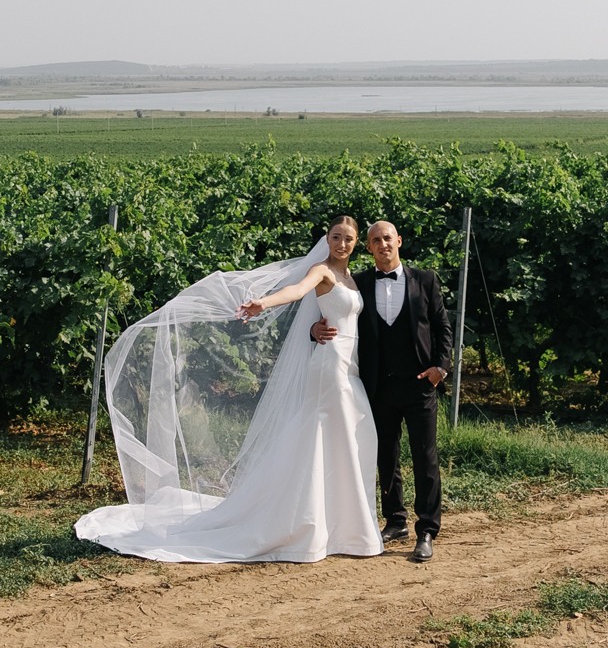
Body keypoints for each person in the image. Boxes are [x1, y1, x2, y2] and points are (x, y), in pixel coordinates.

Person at [73, 216, 382, 563]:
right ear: (327, 240)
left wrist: (314, 328)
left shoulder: (352, 278)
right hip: (328, 368)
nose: (342, 243)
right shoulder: (323, 271)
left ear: (357, 243)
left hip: (349, 366)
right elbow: (296, 291)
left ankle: (342, 526)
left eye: (349, 238)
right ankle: (311, 528)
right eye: (336, 237)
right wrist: (263, 303)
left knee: (346, 441)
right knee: (324, 438)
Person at [311, 219, 449, 560]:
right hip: (378, 386)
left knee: (425, 458)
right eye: (375, 240)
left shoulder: (425, 280)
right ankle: (395, 520)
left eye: (387, 238)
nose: (382, 244)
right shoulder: (357, 284)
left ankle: (427, 529)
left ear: (398, 241)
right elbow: (333, 317)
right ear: (369, 248)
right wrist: (314, 329)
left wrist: (441, 367)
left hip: (419, 385)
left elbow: (443, 324)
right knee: (384, 456)